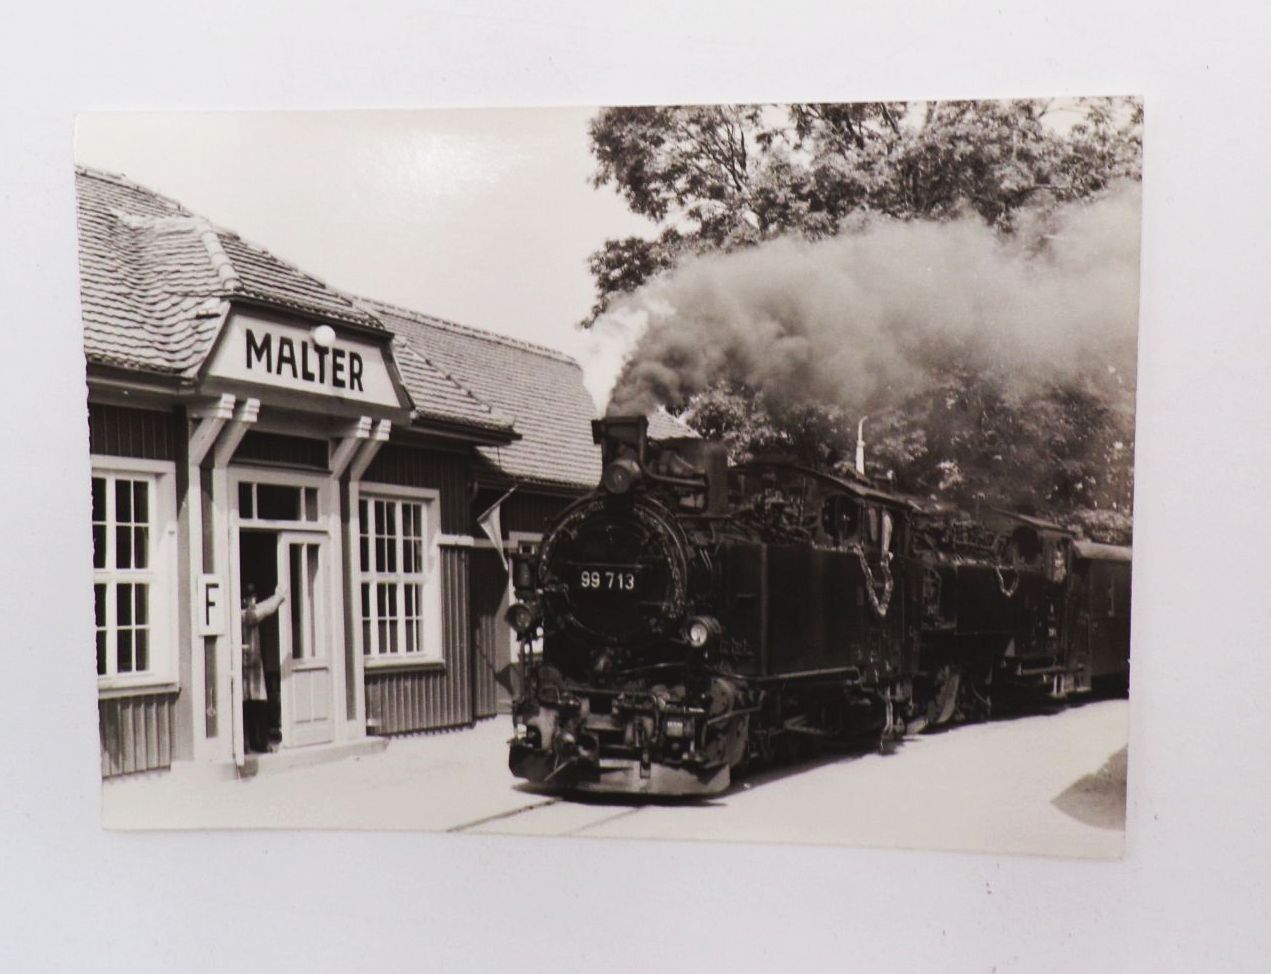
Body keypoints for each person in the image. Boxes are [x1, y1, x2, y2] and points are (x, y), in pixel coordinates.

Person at [241, 583, 286, 754]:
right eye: (251, 598)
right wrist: (278, 597)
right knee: (252, 708)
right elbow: (264, 610)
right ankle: (252, 744)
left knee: (254, 706)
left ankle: (253, 744)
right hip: (247, 670)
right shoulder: (246, 615)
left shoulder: (244, 613)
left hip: (252, 669)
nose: (254, 600)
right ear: (245, 600)